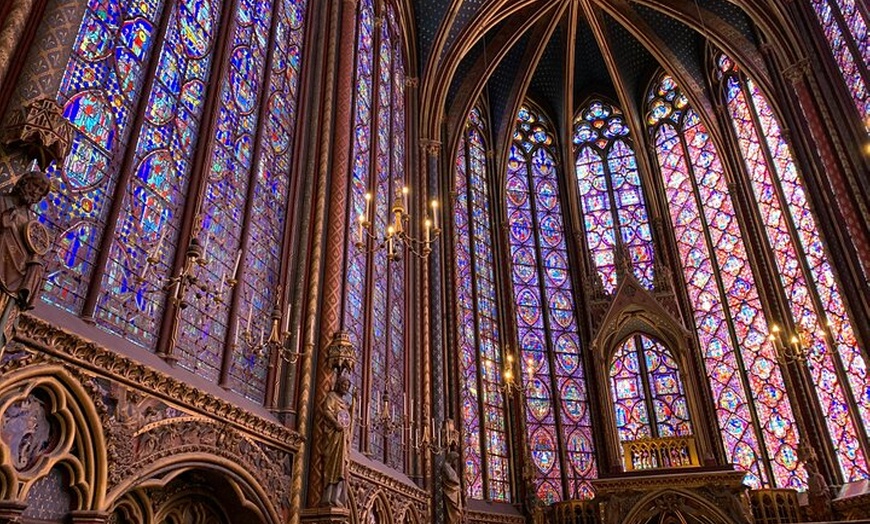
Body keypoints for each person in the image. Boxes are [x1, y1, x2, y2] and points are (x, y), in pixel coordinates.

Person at [0, 169, 50, 350]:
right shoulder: (3, 202)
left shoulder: (31, 221)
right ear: (23, 182)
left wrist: (35, 263)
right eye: (34, 186)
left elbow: (33, 249)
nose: (35, 192)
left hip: (15, 281)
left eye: (40, 192)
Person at [321, 375, 352, 507]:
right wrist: (335, 423)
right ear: (338, 384)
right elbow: (326, 411)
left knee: (342, 468)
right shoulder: (331, 397)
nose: (345, 388)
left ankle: (336, 497)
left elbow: (348, 419)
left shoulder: (345, 403)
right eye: (344, 385)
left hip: (343, 439)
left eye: (347, 386)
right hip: (334, 437)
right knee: (334, 466)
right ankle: (328, 497)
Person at [443, 450, 463, 524]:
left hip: (455, 491)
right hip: (450, 492)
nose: (456, 462)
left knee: (458, 513)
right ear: (452, 458)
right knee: (454, 512)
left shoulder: (450, 467)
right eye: (455, 459)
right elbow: (450, 478)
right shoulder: (446, 466)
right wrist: (457, 481)